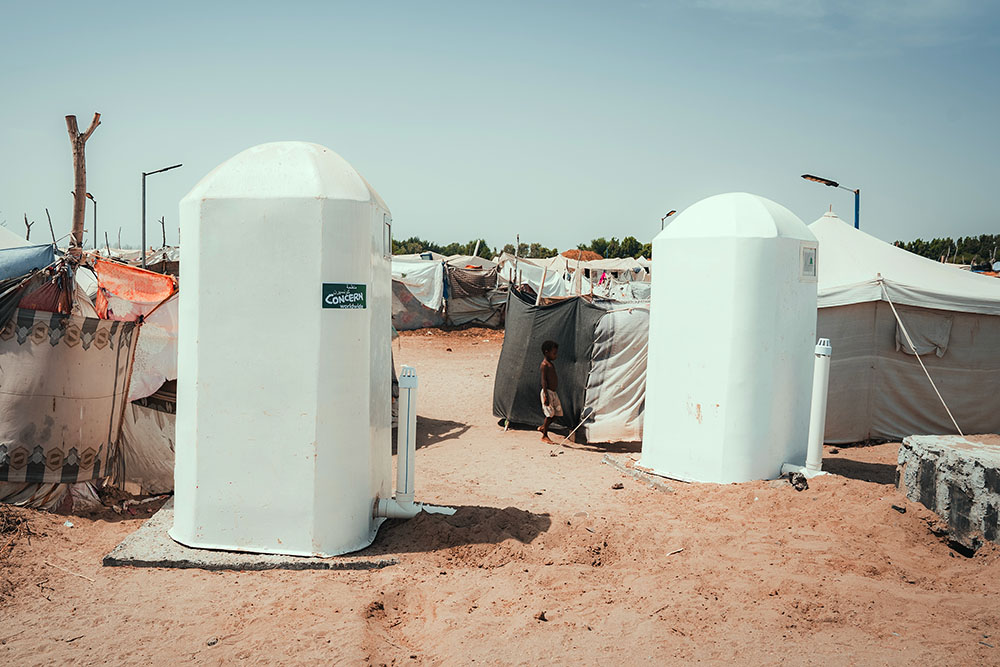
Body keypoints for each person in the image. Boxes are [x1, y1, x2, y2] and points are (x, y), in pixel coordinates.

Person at [538, 340, 562, 443]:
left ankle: (544, 427)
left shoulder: (550, 364)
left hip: (553, 393)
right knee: (549, 414)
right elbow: (543, 380)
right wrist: (546, 395)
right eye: (554, 353)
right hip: (547, 393)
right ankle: (544, 435)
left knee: (557, 414)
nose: (555, 355)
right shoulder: (544, 365)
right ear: (547, 352)